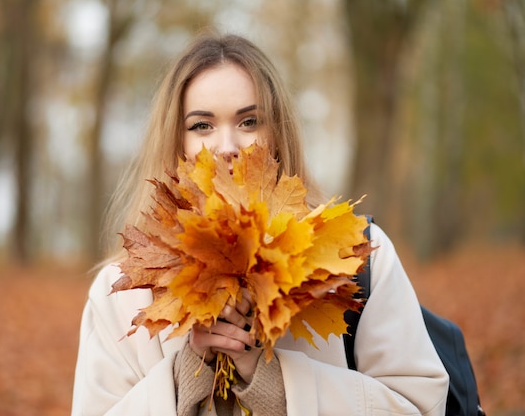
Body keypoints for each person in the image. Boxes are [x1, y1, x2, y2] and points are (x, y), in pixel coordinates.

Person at [71, 31, 449, 416]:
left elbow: (420, 405)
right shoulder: (123, 291)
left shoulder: (354, 255)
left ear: (278, 136)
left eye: (249, 121)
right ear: (175, 143)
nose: (227, 145)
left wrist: (277, 384)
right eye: (202, 126)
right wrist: (189, 373)